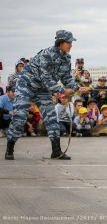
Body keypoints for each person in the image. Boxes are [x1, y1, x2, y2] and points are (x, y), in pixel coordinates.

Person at [5, 30, 89, 160]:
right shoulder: (46, 54)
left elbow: (66, 77)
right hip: (26, 85)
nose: (71, 45)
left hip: (42, 89)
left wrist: (78, 87)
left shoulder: (66, 57)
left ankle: (56, 151)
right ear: (60, 43)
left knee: (51, 117)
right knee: (20, 117)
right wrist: (62, 91)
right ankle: (9, 148)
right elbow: (46, 78)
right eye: (69, 42)